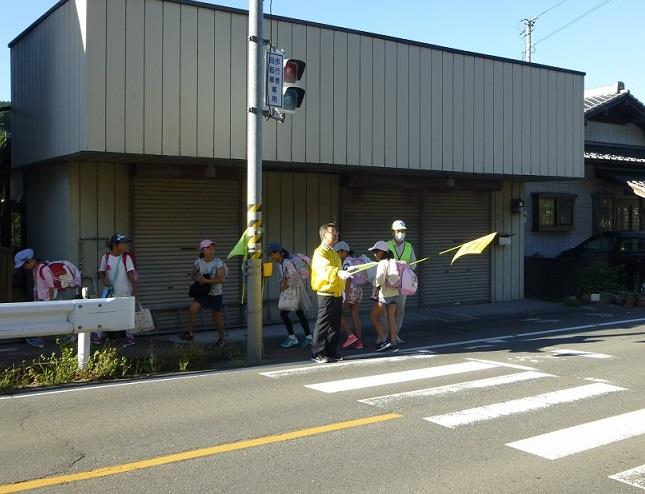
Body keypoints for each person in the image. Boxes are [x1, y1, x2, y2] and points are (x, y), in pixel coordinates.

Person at [13, 248, 81, 348]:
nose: (24, 268)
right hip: (44, 300)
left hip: (51, 299)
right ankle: (42, 340)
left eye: (24, 265)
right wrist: (36, 299)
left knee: (56, 319)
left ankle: (70, 336)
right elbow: (37, 286)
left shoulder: (43, 269)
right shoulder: (35, 270)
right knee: (43, 319)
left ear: (31, 261)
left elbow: (51, 286)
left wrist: (51, 303)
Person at [310, 223, 351, 363]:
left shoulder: (333, 251)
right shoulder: (320, 251)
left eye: (336, 232)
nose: (336, 234)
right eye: (333, 232)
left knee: (335, 323)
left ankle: (331, 351)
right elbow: (324, 269)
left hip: (336, 292)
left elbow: (337, 272)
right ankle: (317, 353)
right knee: (323, 323)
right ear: (324, 235)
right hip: (325, 292)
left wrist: (343, 289)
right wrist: (338, 272)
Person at [180, 240, 227, 347]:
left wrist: (207, 281)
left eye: (212, 248)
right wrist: (198, 279)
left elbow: (221, 279)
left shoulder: (218, 262)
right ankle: (190, 333)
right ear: (202, 250)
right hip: (203, 292)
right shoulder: (198, 262)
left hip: (215, 293)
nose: (211, 250)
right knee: (192, 309)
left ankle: (222, 339)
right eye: (208, 248)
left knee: (216, 316)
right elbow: (193, 275)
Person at [94, 233, 138, 347]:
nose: (125, 245)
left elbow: (131, 273)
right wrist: (104, 281)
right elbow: (101, 272)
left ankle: (129, 336)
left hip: (124, 291)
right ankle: (98, 335)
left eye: (125, 243)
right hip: (110, 291)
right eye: (122, 243)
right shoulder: (106, 257)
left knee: (126, 314)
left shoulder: (126, 257)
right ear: (114, 244)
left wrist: (134, 288)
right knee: (103, 312)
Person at [267, 242, 313, 348]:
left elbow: (295, 277)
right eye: (271, 254)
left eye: (273, 253)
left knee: (284, 314)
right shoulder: (282, 263)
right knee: (300, 314)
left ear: (280, 253)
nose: (272, 256)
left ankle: (293, 338)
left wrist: (285, 286)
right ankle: (308, 337)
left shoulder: (287, 263)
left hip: (294, 292)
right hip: (295, 292)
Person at [387, 220, 417, 343]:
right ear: (392, 232)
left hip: (403, 284)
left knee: (400, 310)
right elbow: (380, 262)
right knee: (386, 311)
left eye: (403, 231)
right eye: (398, 231)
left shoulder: (409, 246)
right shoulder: (386, 245)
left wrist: (407, 266)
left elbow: (413, 264)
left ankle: (395, 335)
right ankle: (384, 335)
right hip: (388, 283)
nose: (401, 233)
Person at [368, 240, 400, 352]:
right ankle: (394, 342)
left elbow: (379, 280)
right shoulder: (392, 261)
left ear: (382, 251)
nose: (374, 254)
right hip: (395, 293)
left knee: (373, 317)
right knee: (392, 318)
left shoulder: (382, 263)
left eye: (376, 251)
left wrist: (373, 283)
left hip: (384, 295)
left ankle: (383, 340)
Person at [334, 241, 364, 350]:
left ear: (343, 252)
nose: (336, 254)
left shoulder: (346, 263)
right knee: (355, 316)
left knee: (337, 314)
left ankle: (350, 336)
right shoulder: (354, 260)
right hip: (359, 290)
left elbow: (347, 278)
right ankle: (359, 342)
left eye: (337, 252)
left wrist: (345, 296)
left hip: (350, 291)